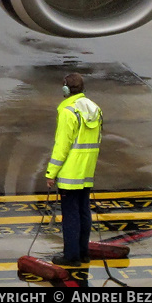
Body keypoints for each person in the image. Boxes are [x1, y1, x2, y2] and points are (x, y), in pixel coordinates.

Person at [45, 73, 103, 267]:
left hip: (70, 172)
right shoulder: (95, 109)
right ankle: (83, 252)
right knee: (84, 211)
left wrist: (51, 173)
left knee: (70, 214)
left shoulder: (68, 111)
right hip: (87, 170)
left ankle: (71, 256)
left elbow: (62, 146)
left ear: (65, 90)